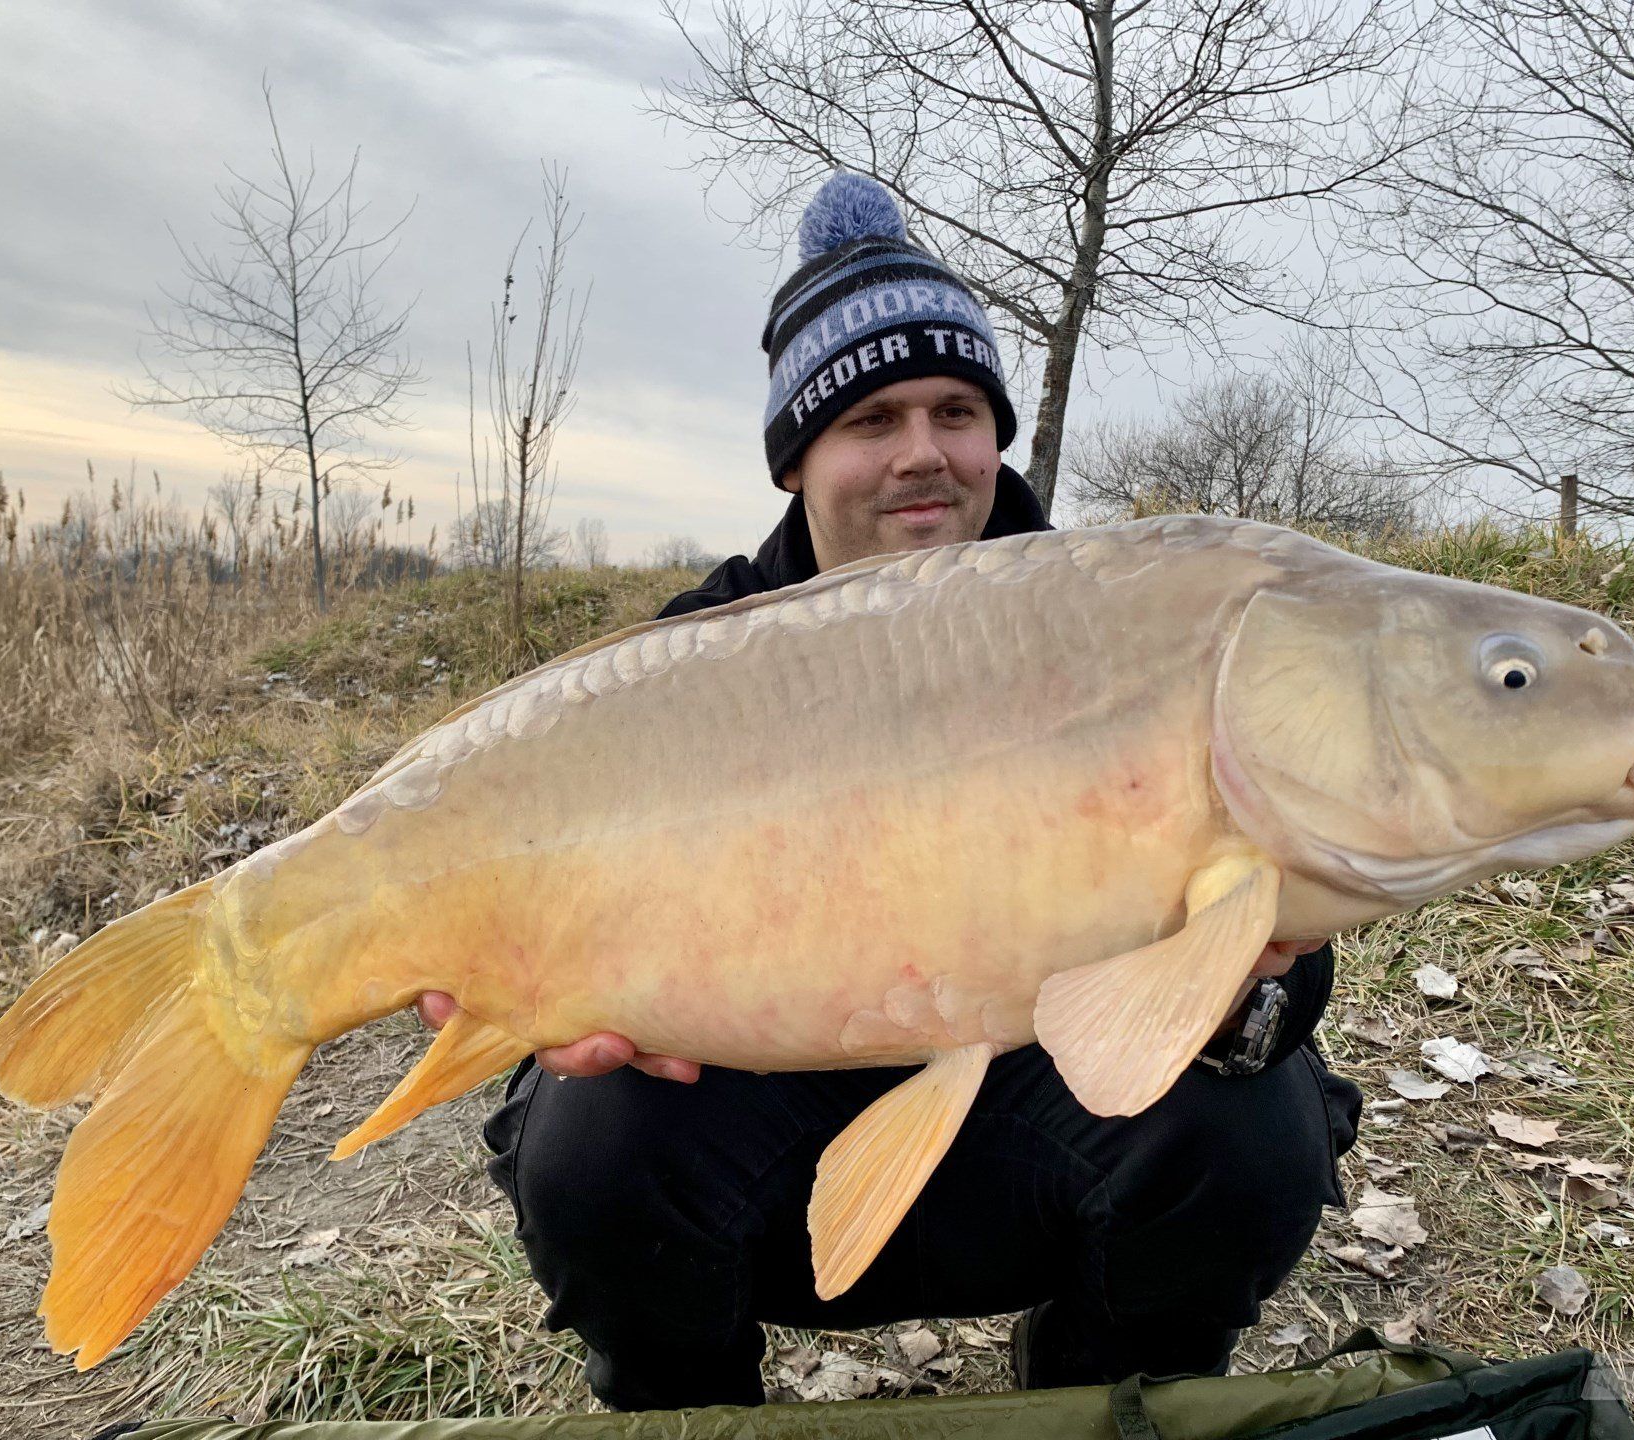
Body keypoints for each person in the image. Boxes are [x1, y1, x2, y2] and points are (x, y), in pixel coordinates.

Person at [418, 174, 1361, 1412]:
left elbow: (1281, 963)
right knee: (590, 1138)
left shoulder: (1120, 629)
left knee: (1255, 1133)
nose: (924, 454)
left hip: (1029, 1092)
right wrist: (541, 995)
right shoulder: (693, 659)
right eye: (872, 420)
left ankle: (1101, 1403)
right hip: (756, 1105)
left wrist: (1250, 994)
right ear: (796, 459)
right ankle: (688, 1419)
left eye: (956, 411)